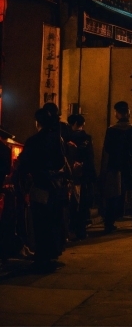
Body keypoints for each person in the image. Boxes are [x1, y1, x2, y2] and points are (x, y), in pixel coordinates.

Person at [19, 106, 68, 271]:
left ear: (37, 122)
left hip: (39, 184)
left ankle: (42, 256)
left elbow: (24, 164)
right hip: (55, 185)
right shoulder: (56, 139)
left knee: (39, 222)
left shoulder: (33, 141)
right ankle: (51, 254)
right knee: (53, 221)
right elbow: (61, 162)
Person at [101, 101, 132, 233]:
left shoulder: (111, 130)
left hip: (115, 166)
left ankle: (109, 222)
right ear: (128, 113)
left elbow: (107, 148)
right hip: (131, 166)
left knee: (114, 193)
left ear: (117, 114)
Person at [65, 113, 96, 240]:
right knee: (83, 202)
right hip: (85, 174)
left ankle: (71, 228)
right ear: (82, 124)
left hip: (70, 174)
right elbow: (90, 157)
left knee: (72, 202)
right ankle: (81, 230)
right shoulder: (87, 138)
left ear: (72, 124)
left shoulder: (66, 137)